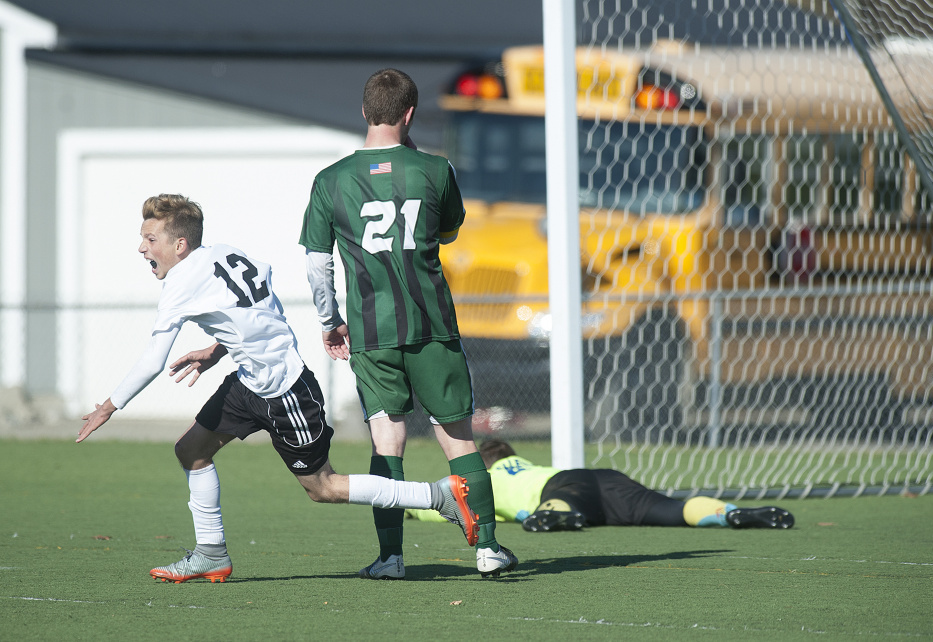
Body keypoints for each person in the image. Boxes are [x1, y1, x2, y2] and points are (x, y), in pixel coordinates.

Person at [77, 193, 480, 583]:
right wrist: (219, 349)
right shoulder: (224, 253)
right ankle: (211, 553)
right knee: (191, 450)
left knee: (322, 488)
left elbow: (153, 358)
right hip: (249, 384)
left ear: (179, 245)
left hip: (286, 393)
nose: (141, 248)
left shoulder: (181, 282)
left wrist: (109, 406)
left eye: (150, 239)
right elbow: (261, 308)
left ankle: (437, 496)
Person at [298, 68, 516, 580]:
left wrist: (331, 320)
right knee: (458, 440)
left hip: (371, 332)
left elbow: (316, 263)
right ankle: (486, 548)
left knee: (386, 443)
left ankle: (391, 559)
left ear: (364, 111)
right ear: (410, 113)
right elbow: (449, 231)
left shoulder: (330, 180)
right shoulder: (437, 169)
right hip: (433, 326)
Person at [409, 439, 794, 532]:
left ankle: (557, 516)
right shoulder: (525, 465)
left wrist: (407, 507)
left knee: (559, 504)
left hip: (564, 489)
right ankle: (729, 513)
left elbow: (444, 508)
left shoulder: (485, 482)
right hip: (602, 478)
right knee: (668, 509)